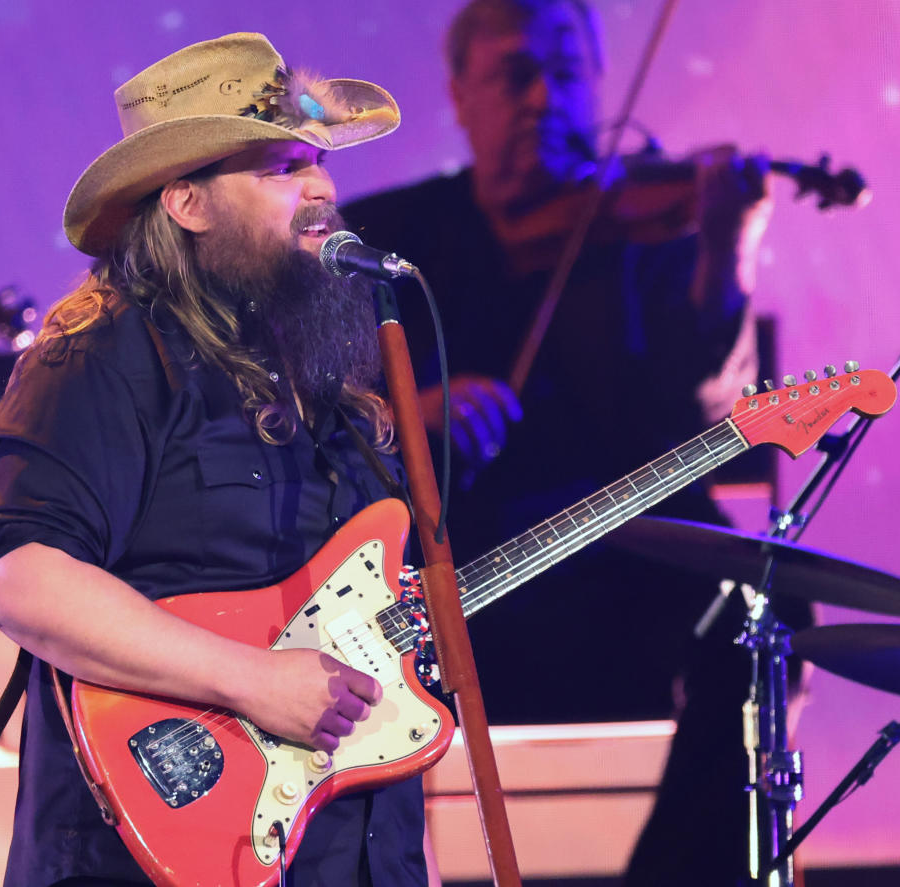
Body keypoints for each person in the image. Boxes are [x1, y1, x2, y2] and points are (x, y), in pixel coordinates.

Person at [344, 1, 809, 884]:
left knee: (770, 611)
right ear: (461, 94)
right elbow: (300, 400)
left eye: (565, 73)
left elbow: (720, 407)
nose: (542, 98)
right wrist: (417, 412)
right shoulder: (389, 244)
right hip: (463, 570)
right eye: (515, 74)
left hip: (632, 564)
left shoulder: (652, 228)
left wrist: (727, 250)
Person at [0, 33, 438, 887]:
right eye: (281, 166)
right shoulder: (103, 353)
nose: (321, 185)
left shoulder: (328, 376)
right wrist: (254, 680)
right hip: (149, 855)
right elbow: (21, 577)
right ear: (187, 202)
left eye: (317, 160)